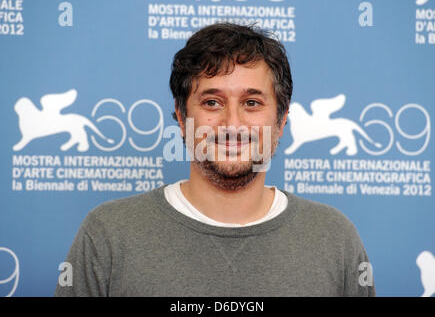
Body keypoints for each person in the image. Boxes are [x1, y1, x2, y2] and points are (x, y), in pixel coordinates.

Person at [55, 23, 375, 297]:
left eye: (251, 102)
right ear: (182, 119)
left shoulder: (335, 238)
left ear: (281, 120)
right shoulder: (108, 233)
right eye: (211, 102)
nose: (232, 124)